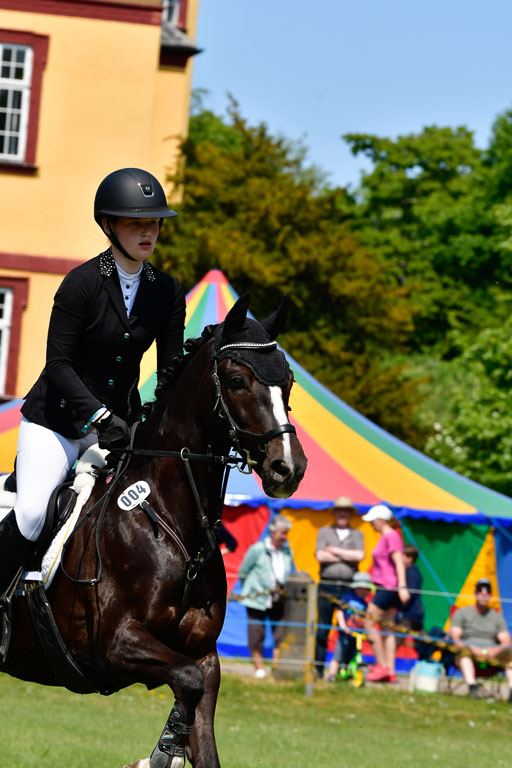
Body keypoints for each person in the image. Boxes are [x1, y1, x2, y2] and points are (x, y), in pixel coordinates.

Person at [0, 168, 186, 600]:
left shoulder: (167, 291)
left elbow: (171, 370)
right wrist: (100, 416)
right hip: (56, 422)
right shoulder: (81, 284)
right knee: (30, 514)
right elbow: (59, 365)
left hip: (118, 428)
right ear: (108, 225)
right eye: (136, 222)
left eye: (154, 223)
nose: (148, 232)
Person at [314, 495, 365, 678]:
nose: (342, 514)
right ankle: (318, 669)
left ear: (350, 514)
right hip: (326, 586)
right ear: (335, 513)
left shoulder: (357, 534)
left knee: (350, 630)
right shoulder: (324, 532)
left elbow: (360, 556)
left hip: (348, 588)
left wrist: (334, 551)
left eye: (346, 511)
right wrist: (347, 556)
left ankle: (344, 670)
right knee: (322, 629)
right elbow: (320, 556)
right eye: (339, 510)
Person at [238, 514, 294, 678]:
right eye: (282, 533)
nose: (284, 537)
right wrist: (251, 590)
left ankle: (276, 667)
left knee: (280, 633)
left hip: (279, 599)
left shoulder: (287, 551)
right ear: (272, 531)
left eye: (286, 533)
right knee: (256, 634)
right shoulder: (257, 549)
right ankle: (259, 668)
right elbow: (243, 572)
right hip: (256, 599)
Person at [362, 504, 409, 683]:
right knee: (387, 629)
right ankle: (390, 670)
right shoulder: (387, 537)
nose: (371, 525)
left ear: (381, 520)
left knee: (368, 621)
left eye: (373, 521)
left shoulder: (391, 536)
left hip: (388, 588)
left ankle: (381, 665)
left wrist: (403, 586)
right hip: (388, 588)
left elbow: (399, 562)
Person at [449, 578, 512, 700]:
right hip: (469, 651)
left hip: (492, 656)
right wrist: (475, 649)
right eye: (480, 592)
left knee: (510, 655)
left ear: (490, 595)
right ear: (475, 593)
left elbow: (506, 641)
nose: (484, 595)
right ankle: (473, 689)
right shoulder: (462, 612)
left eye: (487, 592)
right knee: (464, 653)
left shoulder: (497, 617)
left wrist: (493, 651)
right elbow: (455, 638)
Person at [326, 571, 373, 682]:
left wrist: (366, 632)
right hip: (345, 634)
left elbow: (365, 619)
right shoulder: (347, 598)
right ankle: (332, 674)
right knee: (339, 654)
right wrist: (343, 625)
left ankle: (349, 674)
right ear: (356, 588)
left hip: (357, 636)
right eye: (362, 588)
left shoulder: (365, 604)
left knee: (353, 654)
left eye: (367, 589)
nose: (365, 591)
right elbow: (340, 612)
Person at [396, 544, 425, 632]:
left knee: (396, 639)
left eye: (402, 556)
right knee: (421, 641)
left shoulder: (412, 573)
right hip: (414, 613)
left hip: (409, 614)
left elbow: (409, 595)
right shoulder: (410, 571)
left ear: (410, 558)